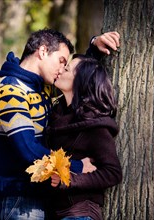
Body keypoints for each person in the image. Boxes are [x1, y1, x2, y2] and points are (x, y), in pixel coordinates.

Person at [0, 28, 120, 220]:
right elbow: (28, 150)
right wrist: (77, 167)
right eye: (61, 61)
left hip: (38, 198)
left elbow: (79, 79)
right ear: (43, 51)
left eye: (66, 65)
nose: (62, 69)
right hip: (16, 199)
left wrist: (95, 48)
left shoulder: (41, 89)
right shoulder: (10, 90)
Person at [46, 54, 122, 220]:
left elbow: (113, 172)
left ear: (81, 81)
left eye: (67, 69)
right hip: (53, 212)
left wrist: (70, 179)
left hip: (79, 213)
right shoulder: (55, 114)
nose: (61, 70)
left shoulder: (94, 125)